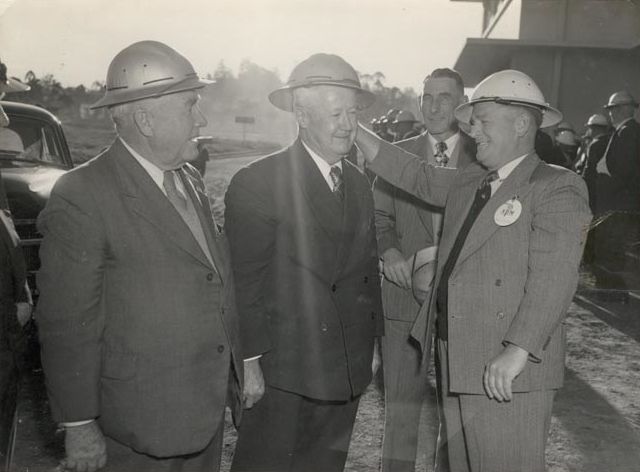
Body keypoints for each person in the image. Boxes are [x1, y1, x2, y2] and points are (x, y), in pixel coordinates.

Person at [356, 69, 591, 472]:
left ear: (520, 124)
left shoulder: (555, 186)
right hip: (461, 359)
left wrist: (518, 349)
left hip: (507, 369)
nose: (471, 130)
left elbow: (554, 280)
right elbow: (416, 175)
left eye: (482, 121)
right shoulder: (474, 181)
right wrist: (354, 127)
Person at [36, 41, 242, 472]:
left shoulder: (189, 181)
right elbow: (67, 324)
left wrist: (241, 372)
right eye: (191, 106)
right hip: (136, 429)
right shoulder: (83, 195)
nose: (202, 119)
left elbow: (213, 284)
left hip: (201, 419)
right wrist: (79, 424)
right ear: (145, 120)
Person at [225, 53, 383, 472]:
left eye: (352, 112)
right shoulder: (258, 182)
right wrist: (248, 364)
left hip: (343, 370)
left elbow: (365, 277)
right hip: (283, 375)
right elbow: (244, 283)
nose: (348, 124)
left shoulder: (358, 183)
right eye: (335, 113)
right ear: (302, 114)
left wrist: (369, 349)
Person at [373, 67, 475, 472]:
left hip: (462, 304)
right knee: (401, 409)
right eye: (427, 97)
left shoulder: (482, 154)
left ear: (462, 104)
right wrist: (390, 252)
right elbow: (379, 218)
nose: (433, 107)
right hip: (402, 296)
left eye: (444, 97)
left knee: (456, 414)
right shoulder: (395, 155)